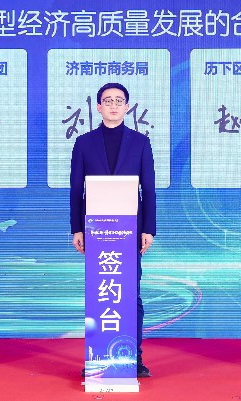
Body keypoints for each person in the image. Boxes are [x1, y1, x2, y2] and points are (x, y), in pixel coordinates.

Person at [70, 82, 156, 378]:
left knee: (131, 293)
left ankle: (134, 357)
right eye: (108, 101)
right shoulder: (84, 143)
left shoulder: (140, 142)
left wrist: (149, 228)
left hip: (130, 230)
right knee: (101, 292)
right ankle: (97, 356)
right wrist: (76, 228)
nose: (114, 105)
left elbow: (149, 189)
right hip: (96, 230)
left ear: (127, 107)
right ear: (98, 107)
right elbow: (76, 190)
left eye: (119, 101)